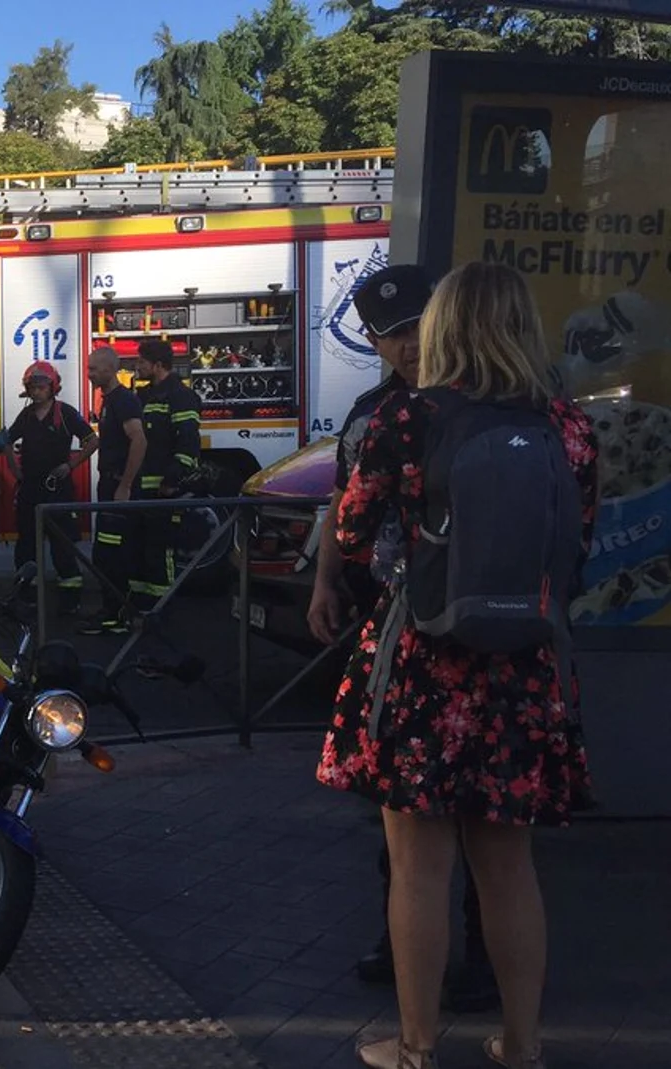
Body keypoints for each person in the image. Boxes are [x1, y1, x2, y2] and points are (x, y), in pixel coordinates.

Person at [318, 262, 596, 1069]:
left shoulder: (408, 417)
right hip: (526, 671)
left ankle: (415, 1047)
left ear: (443, 327)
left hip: (425, 666)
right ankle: (522, 1042)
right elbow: (576, 542)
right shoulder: (567, 426)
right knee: (509, 865)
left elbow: (353, 533)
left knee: (419, 866)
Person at [306, 264, 497, 1014]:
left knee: (468, 819)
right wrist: (325, 582)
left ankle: (466, 969)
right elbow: (339, 507)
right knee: (415, 815)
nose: (406, 345)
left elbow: (353, 518)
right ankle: (409, 946)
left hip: (440, 635)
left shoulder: (436, 412)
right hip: (412, 624)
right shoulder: (375, 411)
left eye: (416, 325)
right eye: (388, 334)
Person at [0, 362, 98, 612]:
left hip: (58, 489)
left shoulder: (65, 413)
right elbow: (6, 440)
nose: (37, 391)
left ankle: (70, 600)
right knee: (26, 545)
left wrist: (70, 466)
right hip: (30, 489)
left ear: (52, 387)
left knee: (62, 547)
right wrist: (15, 469)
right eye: (33, 387)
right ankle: (27, 596)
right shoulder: (26, 415)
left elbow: (92, 441)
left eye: (41, 387)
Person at [79, 347, 148, 635]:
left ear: (109, 369)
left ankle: (117, 615)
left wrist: (125, 485)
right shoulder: (109, 401)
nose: (89, 374)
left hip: (117, 486)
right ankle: (112, 611)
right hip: (109, 484)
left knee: (113, 554)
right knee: (105, 553)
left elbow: (139, 441)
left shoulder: (123, 401)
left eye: (94, 369)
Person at [131, 339, 202, 614]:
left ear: (157, 365)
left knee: (161, 551)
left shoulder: (179, 395)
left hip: (163, 490)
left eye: (141, 362)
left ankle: (161, 609)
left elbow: (187, 443)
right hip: (140, 488)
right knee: (138, 549)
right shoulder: (144, 395)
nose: (136, 367)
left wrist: (172, 480)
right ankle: (139, 604)